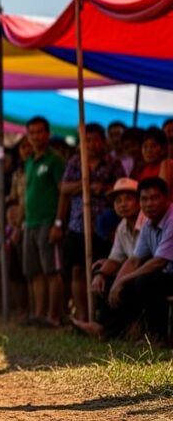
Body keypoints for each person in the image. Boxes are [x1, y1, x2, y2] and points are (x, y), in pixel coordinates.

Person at [57, 122, 124, 324]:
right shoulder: (75, 162)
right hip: (78, 225)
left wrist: (102, 187)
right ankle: (83, 314)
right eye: (87, 140)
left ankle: (101, 315)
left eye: (95, 139)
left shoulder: (113, 163)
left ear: (103, 141)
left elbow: (123, 188)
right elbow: (64, 189)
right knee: (76, 270)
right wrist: (83, 184)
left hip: (103, 227)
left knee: (101, 269)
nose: (91, 144)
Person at [107, 178, 173, 341]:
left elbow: (159, 261)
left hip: (167, 274)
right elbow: (134, 260)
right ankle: (116, 332)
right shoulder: (147, 225)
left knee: (145, 280)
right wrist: (117, 283)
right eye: (144, 199)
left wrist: (125, 279)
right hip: (166, 276)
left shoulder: (171, 220)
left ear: (167, 198)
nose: (149, 203)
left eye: (155, 198)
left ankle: (157, 336)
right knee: (118, 283)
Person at [74, 178, 140, 338]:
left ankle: (111, 329)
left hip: (145, 272)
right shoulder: (122, 227)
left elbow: (137, 260)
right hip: (133, 270)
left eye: (128, 199)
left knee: (124, 284)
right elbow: (115, 258)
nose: (123, 204)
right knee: (103, 277)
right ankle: (104, 326)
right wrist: (100, 275)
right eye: (118, 201)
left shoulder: (145, 222)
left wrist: (119, 280)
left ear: (139, 201)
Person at [23, 117, 66, 328]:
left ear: (47, 134)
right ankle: (39, 315)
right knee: (35, 272)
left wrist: (58, 223)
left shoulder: (55, 160)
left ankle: (54, 316)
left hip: (47, 222)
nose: (36, 136)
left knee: (51, 271)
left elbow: (63, 193)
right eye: (32, 132)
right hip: (30, 223)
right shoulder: (30, 161)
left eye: (40, 132)